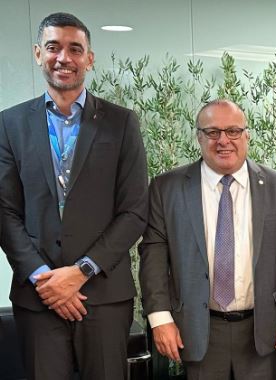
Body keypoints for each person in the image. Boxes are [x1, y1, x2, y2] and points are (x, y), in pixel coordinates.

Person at [0, 12, 148, 379]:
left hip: (103, 295)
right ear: (38, 53)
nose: (63, 58)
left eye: (75, 49)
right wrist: (43, 277)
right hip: (39, 297)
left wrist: (80, 272)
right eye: (53, 47)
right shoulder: (10, 124)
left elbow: (134, 211)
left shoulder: (121, 122)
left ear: (89, 58)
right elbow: (5, 212)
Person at [138, 99, 276, 380]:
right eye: (213, 132)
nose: (223, 140)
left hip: (261, 327)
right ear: (199, 137)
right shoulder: (167, 187)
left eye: (233, 131)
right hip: (197, 327)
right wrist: (160, 318)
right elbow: (153, 257)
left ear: (247, 135)